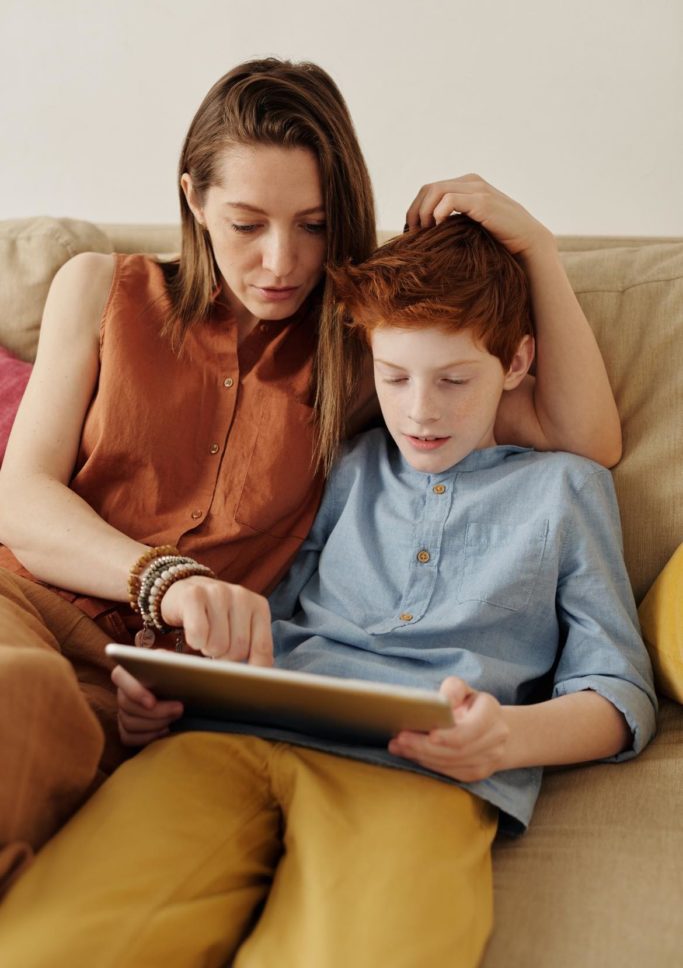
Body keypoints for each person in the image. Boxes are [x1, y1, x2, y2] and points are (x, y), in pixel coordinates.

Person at [0, 56, 621, 892]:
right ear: (193, 199)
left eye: (315, 225)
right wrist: (168, 581)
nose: (280, 262)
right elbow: (19, 499)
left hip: (155, 688)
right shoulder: (101, 287)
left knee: (48, 755)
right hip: (23, 610)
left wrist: (534, 246)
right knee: (16, 692)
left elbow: (577, 438)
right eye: (246, 223)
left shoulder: (373, 352)